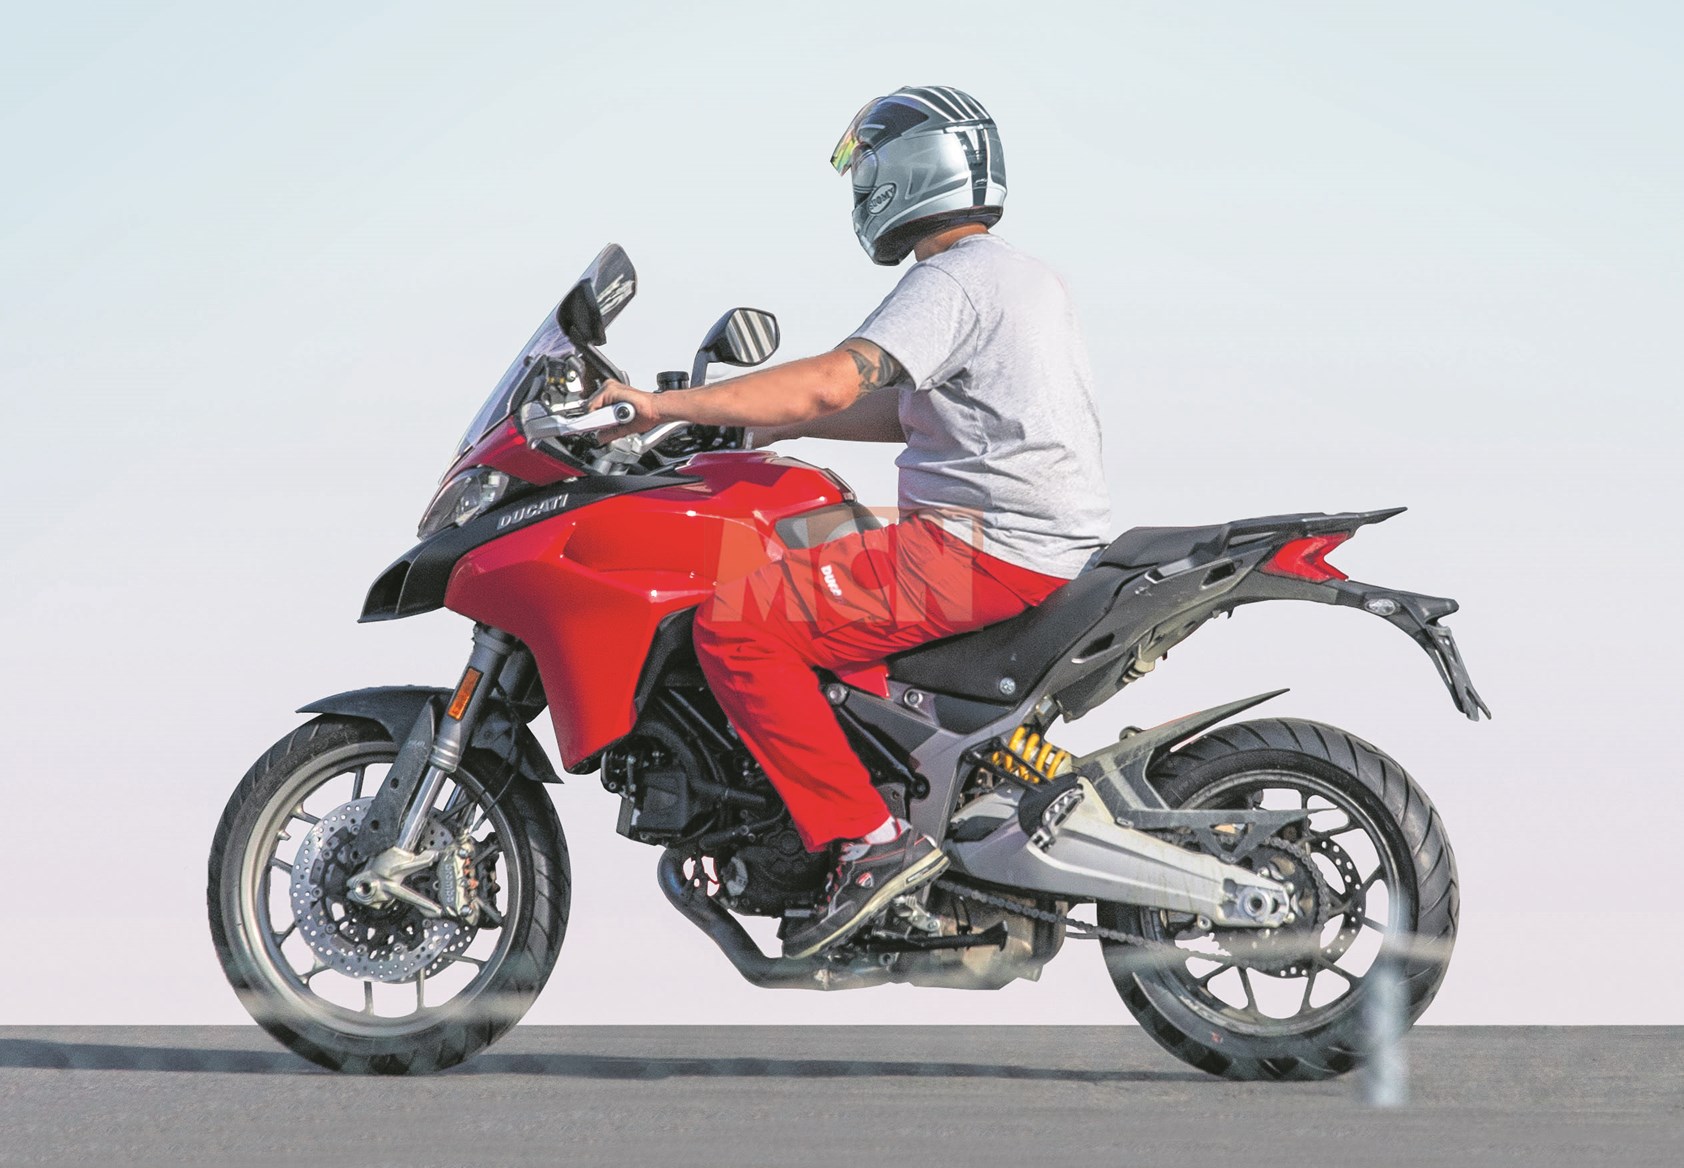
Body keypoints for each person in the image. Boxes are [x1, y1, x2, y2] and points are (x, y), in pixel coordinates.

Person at [591, 85, 1110, 958]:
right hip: (1024, 539)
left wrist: (661, 405)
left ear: (914, 168)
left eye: (865, 166)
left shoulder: (952, 279)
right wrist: (764, 424)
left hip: (981, 547)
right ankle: (881, 784)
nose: (860, 186)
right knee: (810, 561)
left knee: (737, 625)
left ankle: (869, 842)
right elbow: (904, 409)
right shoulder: (1014, 275)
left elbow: (834, 381)